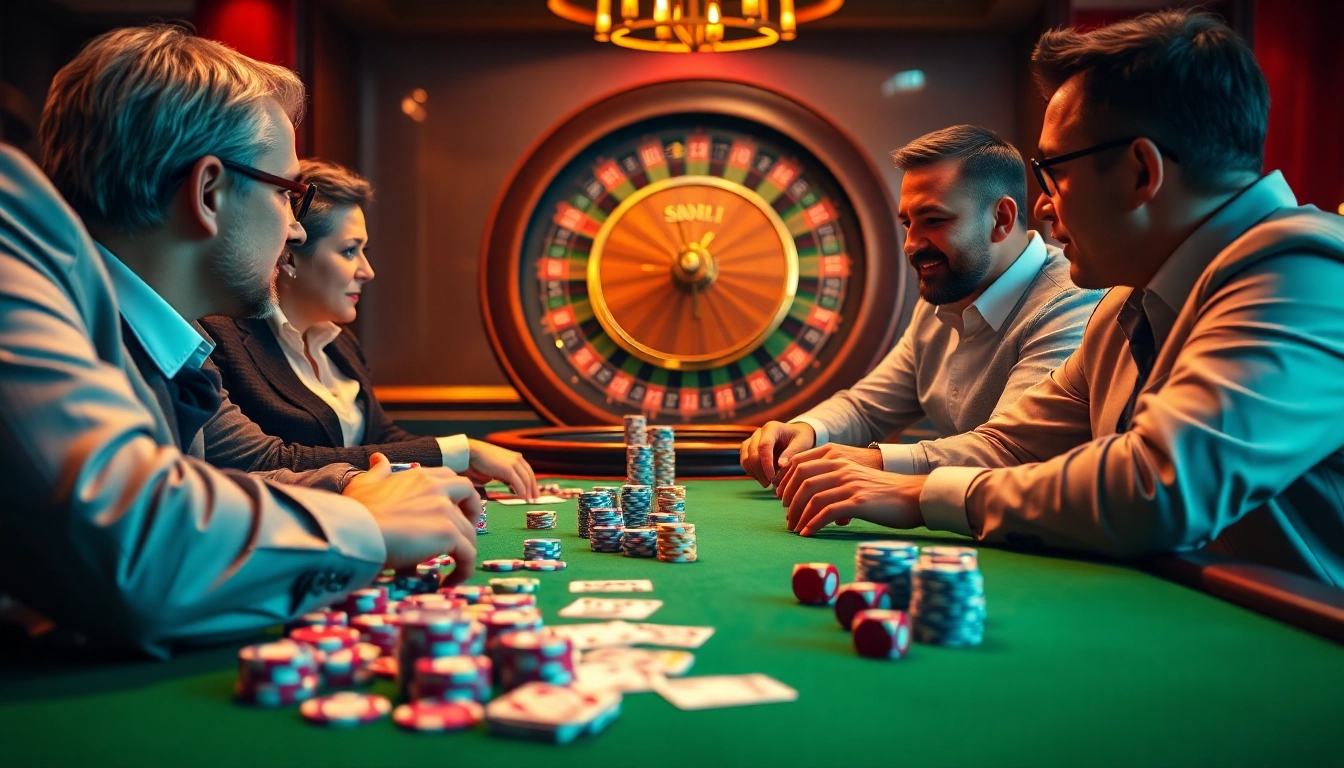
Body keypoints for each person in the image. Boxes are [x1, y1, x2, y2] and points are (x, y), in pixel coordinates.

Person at [780, 10, 1344, 586]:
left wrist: (922, 495)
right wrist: (878, 469)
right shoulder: (1126, 303)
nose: (1043, 207)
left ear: (1141, 172)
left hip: (1302, 634)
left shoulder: (1309, 272)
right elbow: (1012, 446)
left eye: (1053, 172)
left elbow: (1157, 485)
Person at [0, 25, 479, 658]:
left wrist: (348, 488)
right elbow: (134, 545)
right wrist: (361, 524)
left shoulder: (170, 338)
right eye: (290, 195)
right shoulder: (12, 264)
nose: (297, 232)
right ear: (208, 193)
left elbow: (221, 477)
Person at [740, 126, 1100, 487]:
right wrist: (805, 430)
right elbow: (866, 408)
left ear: (1001, 219)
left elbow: (1008, 452)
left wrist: (872, 462)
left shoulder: (1071, 304)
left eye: (934, 220)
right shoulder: (944, 298)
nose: (910, 244)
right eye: (907, 223)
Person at [200, 159, 538, 500]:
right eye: (349, 251)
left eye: (364, 251)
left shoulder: (339, 345)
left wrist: (459, 465)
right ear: (289, 254)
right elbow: (280, 462)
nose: (367, 271)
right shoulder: (221, 339)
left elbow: (381, 440)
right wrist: (459, 451)